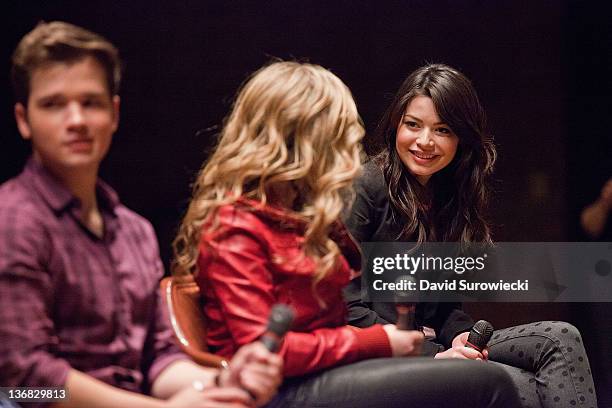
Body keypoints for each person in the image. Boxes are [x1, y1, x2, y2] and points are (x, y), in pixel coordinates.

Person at [172, 60, 522, 407]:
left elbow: (334, 320)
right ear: (296, 142)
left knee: (510, 367)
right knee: (487, 383)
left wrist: (410, 337)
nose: (349, 149)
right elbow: (270, 349)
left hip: (328, 372)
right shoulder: (236, 226)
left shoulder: (297, 220)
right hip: (284, 391)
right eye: (338, 135)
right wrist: (383, 342)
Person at [0, 21, 282, 408]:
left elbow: (158, 357)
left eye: (90, 102)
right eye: (53, 104)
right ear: (22, 120)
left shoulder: (133, 229)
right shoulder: (12, 219)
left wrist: (220, 380)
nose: (77, 120)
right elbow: (26, 383)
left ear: (114, 113)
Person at [343, 63, 598, 407]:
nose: (424, 142)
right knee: (525, 388)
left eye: (443, 130)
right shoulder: (367, 186)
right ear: (395, 126)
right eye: (413, 125)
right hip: (385, 354)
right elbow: (346, 307)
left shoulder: (448, 197)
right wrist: (432, 354)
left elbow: (445, 308)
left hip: (432, 348)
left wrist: (460, 334)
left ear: (461, 138)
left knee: (561, 338)